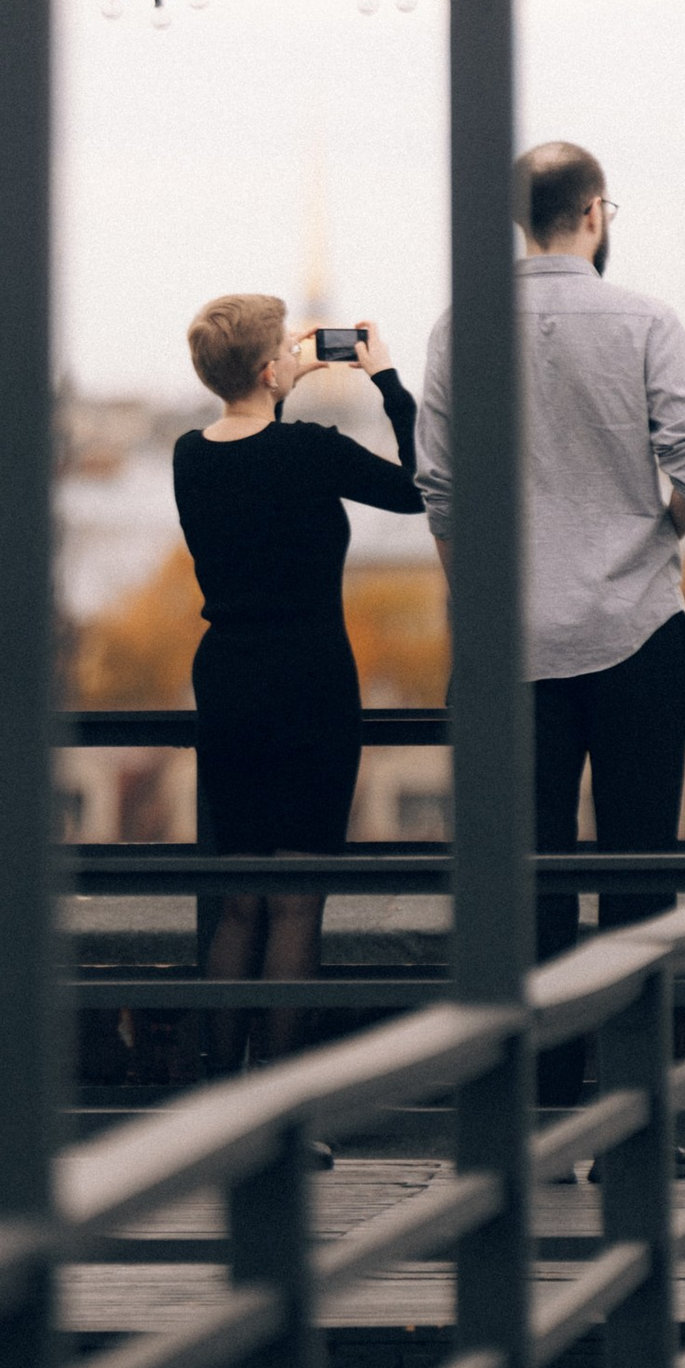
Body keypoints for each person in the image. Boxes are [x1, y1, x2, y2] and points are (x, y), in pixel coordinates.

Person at [416, 142, 685, 1146]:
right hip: (633, 631)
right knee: (640, 873)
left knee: (525, 879)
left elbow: (443, 489)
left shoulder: (461, 327)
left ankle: (538, 1114)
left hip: (511, 645)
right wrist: (651, 535)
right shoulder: (646, 321)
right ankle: (635, 1116)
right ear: (595, 211)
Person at [171, 294, 424, 1126]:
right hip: (311, 678)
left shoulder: (187, 457)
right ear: (272, 368)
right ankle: (280, 1116)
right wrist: (384, 380)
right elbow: (421, 488)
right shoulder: (312, 452)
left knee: (240, 895)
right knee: (297, 896)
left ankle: (214, 1104)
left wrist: (278, 375)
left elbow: (248, 442)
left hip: (230, 678)